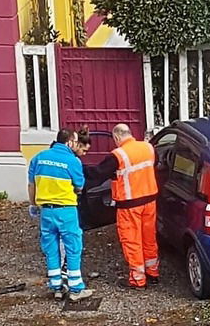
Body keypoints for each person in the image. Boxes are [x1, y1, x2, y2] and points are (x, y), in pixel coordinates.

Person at [87, 124, 159, 289]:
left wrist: (80, 171)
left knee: (132, 241)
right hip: (150, 201)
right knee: (149, 238)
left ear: (117, 138)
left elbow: (98, 174)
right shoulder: (148, 148)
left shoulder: (118, 155)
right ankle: (153, 272)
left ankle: (138, 279)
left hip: (129, 204)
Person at [27, 128, 93, 302]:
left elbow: (32, 185)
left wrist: (33, 204)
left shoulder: (38, 158)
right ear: (70, 141)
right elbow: (79, 186)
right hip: (66, 210)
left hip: (46, 212)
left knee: (51, 249)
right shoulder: (72, 161)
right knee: (73, 248)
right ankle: (76, 288)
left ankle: (56, 287)